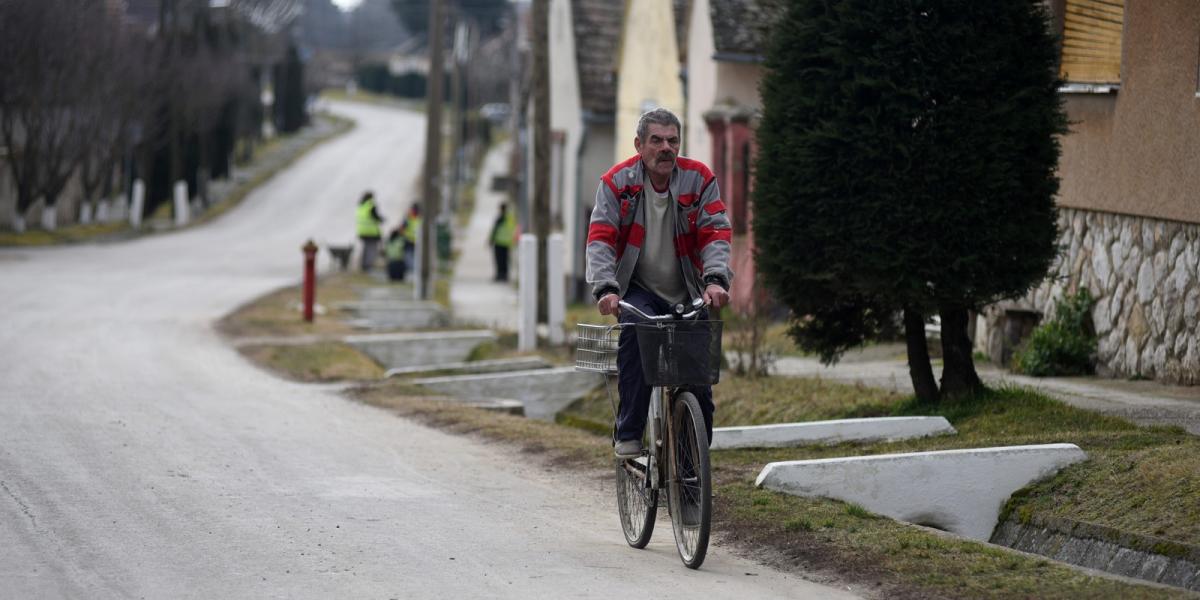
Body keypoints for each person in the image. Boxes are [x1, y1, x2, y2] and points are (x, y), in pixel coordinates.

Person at [585, 108, 733, 458]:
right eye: (656, 140)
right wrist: (606, 288)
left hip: (690, 291)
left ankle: (691, 473)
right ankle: (630, 432)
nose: (666, 148)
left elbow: (715, 232)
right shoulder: (616, 183)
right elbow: (601, 238)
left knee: (700, 387)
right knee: (635, 335)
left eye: (672, 141)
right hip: (639, 291)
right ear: (639, 145)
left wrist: (714, 280)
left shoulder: (699, 179)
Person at [356, 191, 385, 272]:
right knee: (371, 249)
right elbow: (375, 217)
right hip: (371, 232)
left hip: (362, 231)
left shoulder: (361, 205)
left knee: (365, 248)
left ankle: (364, 265)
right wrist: (382, 219)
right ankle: (368, 266)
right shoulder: (371, 205)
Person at [490, 202, 516, 281]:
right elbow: (514, 229)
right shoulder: (510, 218)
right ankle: (505, 276)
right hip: (507, 242)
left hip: (499, 242)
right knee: (505, 260)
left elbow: (495, 230)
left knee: (499, 260)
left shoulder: (500, 218)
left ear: (501, 209)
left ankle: (499, 275)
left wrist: (491, 240)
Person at [401, 204, 422, 277]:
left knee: (415, 256)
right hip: (409, 240)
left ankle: (414, 270)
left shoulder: (420, 218)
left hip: (417, 241)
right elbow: (402, 228)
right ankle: (410, 269)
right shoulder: (408, 218)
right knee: (408, 256)